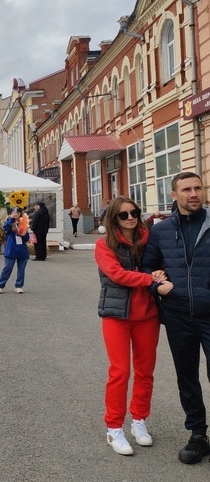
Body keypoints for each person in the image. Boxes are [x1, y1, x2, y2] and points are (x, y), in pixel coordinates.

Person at [143, 171, 210, 464]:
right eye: (187, 189)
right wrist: (158, 282)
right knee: (187, 377)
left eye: (198, 188)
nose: (193, 194)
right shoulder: (160, 232)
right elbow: (147, 268)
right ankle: (198, 436)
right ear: (174, 195)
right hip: (178, 314)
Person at [95, 196, 168, 456]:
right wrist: (150, 278)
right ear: (113, 218)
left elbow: (162, 266)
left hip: (147, 315)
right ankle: (114, 427)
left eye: (134, 212)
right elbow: (117, 274)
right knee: (120, 372)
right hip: (117, 316)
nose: (130, 218)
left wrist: (160, 273)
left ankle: (139, 420)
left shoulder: (150, 239)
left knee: (145, 371)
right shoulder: (104, 245)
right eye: (123, 215)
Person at [0, 207, 30, 294]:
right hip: (11, 248)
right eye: (14, 212)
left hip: (22, 248)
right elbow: (5, 227)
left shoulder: (23, 222)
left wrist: (22, 233)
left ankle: (19, 286)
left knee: (21, 269)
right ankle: (0, 285)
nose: (16, 213)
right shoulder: (9, 222)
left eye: (18, 212)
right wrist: (11, 218)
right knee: (8, 267)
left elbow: (27, 238)